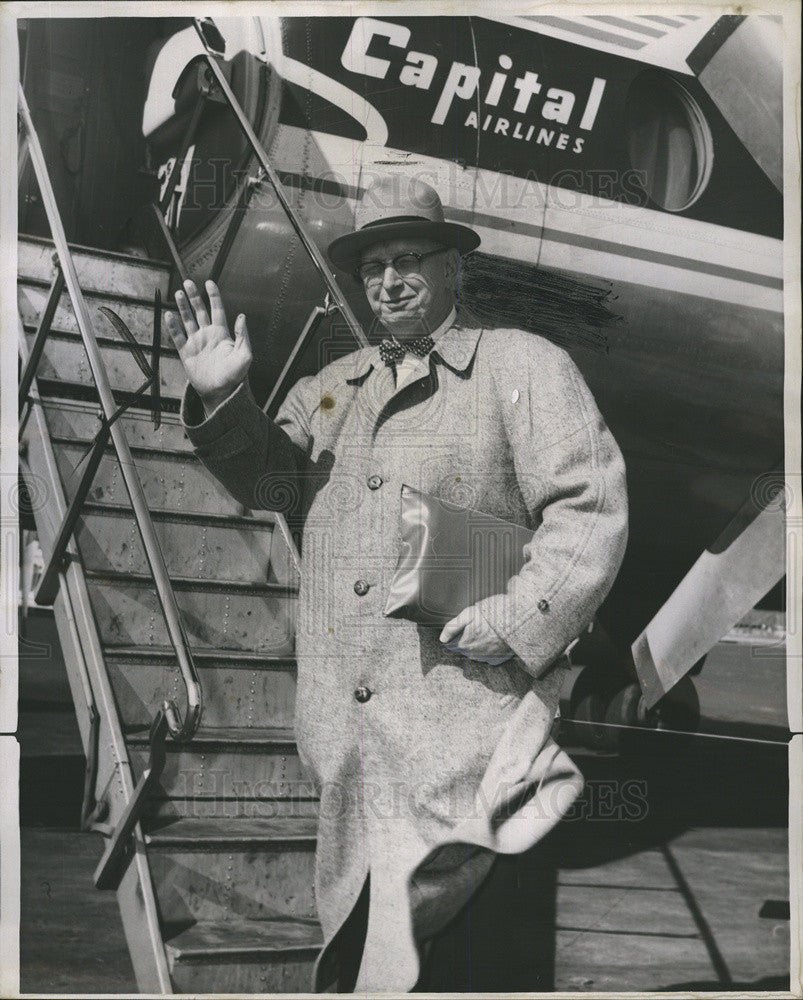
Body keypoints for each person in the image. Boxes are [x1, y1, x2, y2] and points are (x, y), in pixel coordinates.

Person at [166, 173, 629, 992]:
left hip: (469, 734)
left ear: (455, 267)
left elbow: (589, 506)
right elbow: (269, 485)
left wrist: (524, 616)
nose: (387, 280)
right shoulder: (331, 391)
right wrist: (223, 397)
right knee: (361, 951)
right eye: (370, 266)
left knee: (457, 961)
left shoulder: (519, 366)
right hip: (349, 745)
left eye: (409, 257)